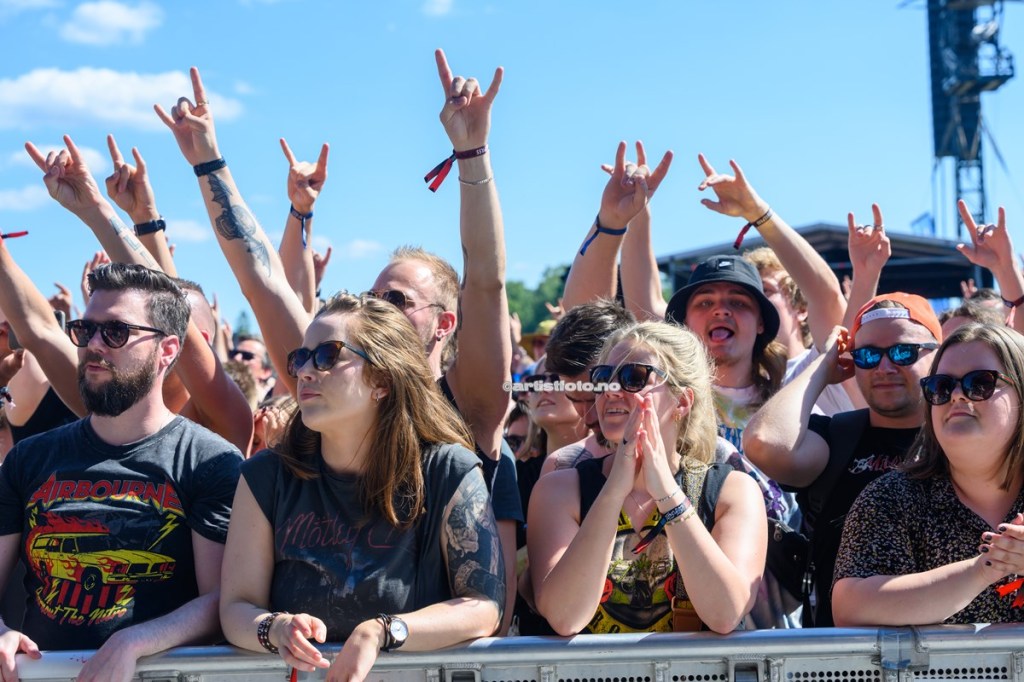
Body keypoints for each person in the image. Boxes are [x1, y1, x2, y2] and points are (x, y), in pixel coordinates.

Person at [219, 293, 504, 679]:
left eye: (328, 356)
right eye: (301, 357)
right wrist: (276, 628)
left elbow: (483, 606)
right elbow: (237, 607)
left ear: (382, 380)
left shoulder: (447, 469)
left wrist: (382, 632)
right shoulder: (266, 476)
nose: (304, 371)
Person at [0, 263, 242, 682]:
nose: (94, 345)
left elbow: (221, 599)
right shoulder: (30, 458)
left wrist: (133, 641)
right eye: (85, 329)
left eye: (115, 333)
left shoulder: (209, 460)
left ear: (167, 351)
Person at [528, 322, 765, 635]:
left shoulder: (732, 491)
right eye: (602, 378)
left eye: (633, 377)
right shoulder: (559, 489)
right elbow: (564, 616)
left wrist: (667, 493)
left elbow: (725, 613)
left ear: (682, 401)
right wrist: (614, 491)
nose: (611, 389)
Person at [743, 292, 943, 626]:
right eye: (866, 356)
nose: (884, 367)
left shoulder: (960, 439)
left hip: (950, 652)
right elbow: (764, 442)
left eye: (903, 352)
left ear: (938, 359)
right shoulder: (838, 438)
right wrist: (824, 366)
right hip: (840, 654)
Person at [833, 322, 1024, 625]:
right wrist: (986, 568)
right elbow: (851, 607)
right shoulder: (891, 499)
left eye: (980, 383)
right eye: (942, 386)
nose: (957, 396)